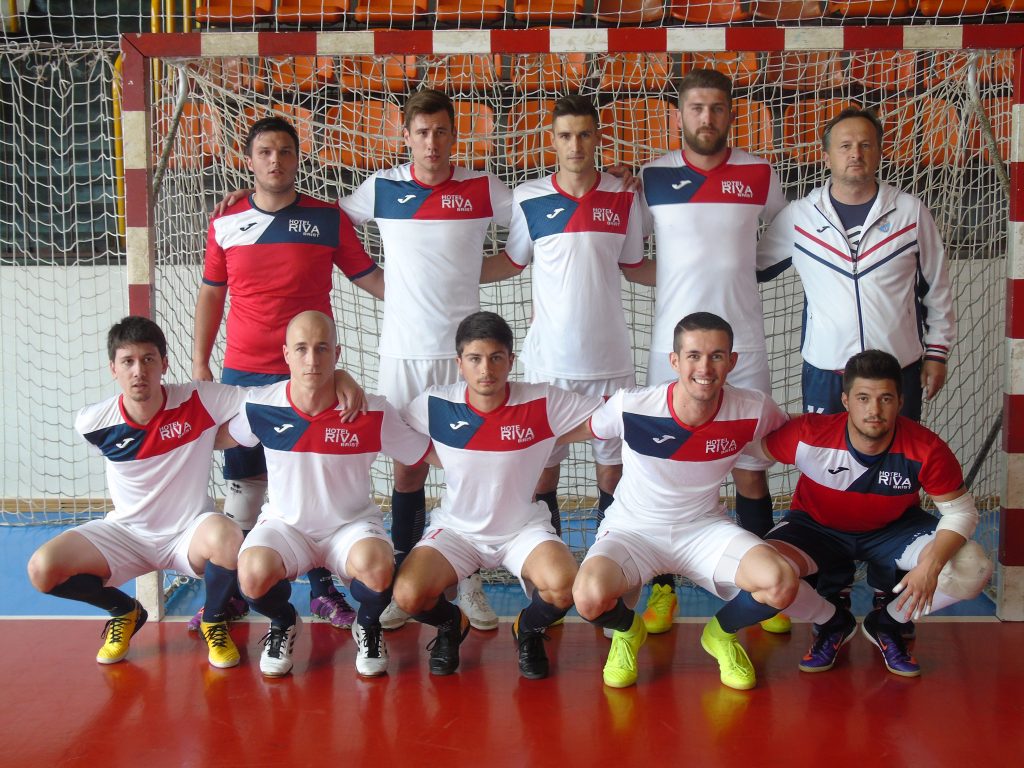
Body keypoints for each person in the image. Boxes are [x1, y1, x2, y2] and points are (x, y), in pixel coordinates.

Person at [755, 106, 957, 624]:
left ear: (880, 152)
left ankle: (891, 592)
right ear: (826, 155)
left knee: (897, 472)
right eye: (844, 145)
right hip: (827, 371)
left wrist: (937, 352)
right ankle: (834, 591)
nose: (855, 154)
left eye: (865, 144)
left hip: (898, 371)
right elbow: (747, 265)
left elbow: (938, 287)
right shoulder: (799, 216)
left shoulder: (910, 211)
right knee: (830, 477)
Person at [193, 116, 384, 631]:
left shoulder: (327, 218)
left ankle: (322, 593)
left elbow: (370, 277)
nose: (275, 160)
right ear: (249, 161)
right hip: (244, 376)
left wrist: (431, 305)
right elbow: (211, 293)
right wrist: (200, 361)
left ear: (298, 159)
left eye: (284, 151)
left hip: (311, 377)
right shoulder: (226, 220)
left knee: (310, 491)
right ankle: (230, 596)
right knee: (245, 487)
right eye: (265, 152)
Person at [338, 89, 514, 631]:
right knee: (409, 467)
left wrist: (480, 273)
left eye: (441, 132)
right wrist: (375, 280)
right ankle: (403, 579)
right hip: (404, 354)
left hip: (466, 358)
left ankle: (469, 581)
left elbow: (533, 226)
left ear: (455, 136)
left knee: (470, 465)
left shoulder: (483, 187)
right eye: (421, 132)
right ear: (406, 136)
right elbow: (332, 224)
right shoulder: (382, 187)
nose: (431, 142)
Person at [717, 349, 992, 677]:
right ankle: (832, 621)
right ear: (846, 401)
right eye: (863, 398)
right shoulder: (809, 434)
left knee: (972, 567)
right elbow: (744, 451)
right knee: (760, 574)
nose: (874, 410)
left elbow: (962, 513)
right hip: (815, 528)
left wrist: (930, 566)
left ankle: (887, 622)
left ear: (900, 402)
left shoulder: (926, 448)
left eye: (885, 399)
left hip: (894, 530)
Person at [567, 312, 798, 690]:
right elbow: (576, 427)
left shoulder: (754, 408)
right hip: (633, 531)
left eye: (716, 356)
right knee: (588, 598)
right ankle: (628, 631)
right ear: (674, 361)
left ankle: (720, 634)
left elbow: (798, 432)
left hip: (703, 530)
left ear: (732, 361)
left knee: (781, 582)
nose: (704, 368)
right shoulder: (632, 406)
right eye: (693, 356)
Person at [636, 69, 788, 633]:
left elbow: (783, 239)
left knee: (752, 469)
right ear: (679, 114)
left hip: (742, 343)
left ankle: (762, 590)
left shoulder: (760, 174)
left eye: (717, 108)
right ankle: (662, 592)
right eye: (696, 107)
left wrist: (738, 272)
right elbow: (629, 257)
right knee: (664, 473)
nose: (707, 118)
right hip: (671, 351)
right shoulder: (650, 177)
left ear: (732, 113)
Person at [26, 316, 246, 668]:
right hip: (126, 534)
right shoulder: (93, 423)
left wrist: (335, 379)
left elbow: (264, 401)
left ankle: (214, 621)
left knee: (229, 536)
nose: (138, 371)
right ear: (113, 368)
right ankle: (124, 611)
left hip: (188, 532)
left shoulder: (199, 399)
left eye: (148, 359)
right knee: (42, 569)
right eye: (127, 361)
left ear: (164, 364)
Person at [392, 312, 601, 679]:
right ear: (459, 363)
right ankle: (451, 624)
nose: (486, 369)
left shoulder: (541, 402)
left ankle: (528, 629)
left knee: (567, 587)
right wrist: (343, 382)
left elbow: (610, 414)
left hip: (522, 530)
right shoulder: (435, 404)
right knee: (407, 595)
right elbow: (390, 427)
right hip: (457, 530)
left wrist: (553, 435)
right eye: (475, 359)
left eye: (496, 358)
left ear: (511, 361)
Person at [480, 94, 653, 536]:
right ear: (552, 140)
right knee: (542, 473)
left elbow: (634, 266)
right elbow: (512, 261)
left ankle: (608, 559)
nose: (575, 145)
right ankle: (549, 561)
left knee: (612, 473)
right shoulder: (529, 197)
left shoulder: (624, 195)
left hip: (610, 363)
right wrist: (449, 275)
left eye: (583, 135)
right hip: (548, 366)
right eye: (565, 136)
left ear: (598, 138)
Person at [226, 311, 432, 678]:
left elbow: (423, 454)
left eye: (322, 348)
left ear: (337, 354)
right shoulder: (260, 405)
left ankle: (367, 625)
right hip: (287, 527)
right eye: (301, 349)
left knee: (378, 568)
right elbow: (215, 438)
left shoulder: (370, 410)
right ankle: (284, 622)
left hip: (349, 527)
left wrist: (496, 454)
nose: (312, 359)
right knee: (252, 574)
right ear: (286, 354)